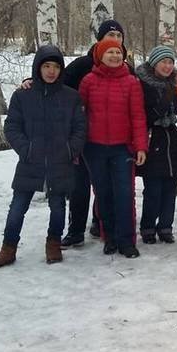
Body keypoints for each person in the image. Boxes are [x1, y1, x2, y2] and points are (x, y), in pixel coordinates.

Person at [0, 45, 86, 268]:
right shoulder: (23, 95)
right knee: (17, 207)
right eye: (46, 66)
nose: (51, 71)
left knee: (58, 206)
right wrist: (26, 149)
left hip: (60, 161)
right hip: (30, 162)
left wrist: (70, 150)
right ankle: (8, 248)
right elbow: (12, 126)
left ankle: (53, 243)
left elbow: (80, 128)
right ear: (37, 68)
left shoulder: (71, 97)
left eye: (56, 67)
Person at [61, 20, 130, 247]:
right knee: (79, 186)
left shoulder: (126, 67)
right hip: (83, 138)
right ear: (99, 39)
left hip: (114, 140)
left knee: (105, 186)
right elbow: (55, 85)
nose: (115, 39)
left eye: (119, 36)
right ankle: (75, 231)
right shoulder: (82, 65)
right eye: (110, 34)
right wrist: (31, 81)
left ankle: (99, 223)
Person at [80, 38, 147, 258]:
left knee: (124, 195)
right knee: (103, 194)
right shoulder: (88, 81)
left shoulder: (131, 82)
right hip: (94, 148)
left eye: (118, 53)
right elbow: (80, 114)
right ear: (100, 55)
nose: (115, 56)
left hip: (122, 149)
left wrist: (140, 147)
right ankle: (109, 237)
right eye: (110, 52)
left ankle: (126, 241)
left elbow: (138, 116)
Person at [135, 46, 177, 244]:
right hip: (152, 138)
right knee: (153, 190)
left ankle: (166, 226)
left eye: (170, 62)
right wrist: (162, 105)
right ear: (154, 63)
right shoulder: (142, 84)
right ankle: (147, 227)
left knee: (170, 188)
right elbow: (142, 115)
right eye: (163, 62)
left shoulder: (174, 85)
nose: (167, 66)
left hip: (171, 139)